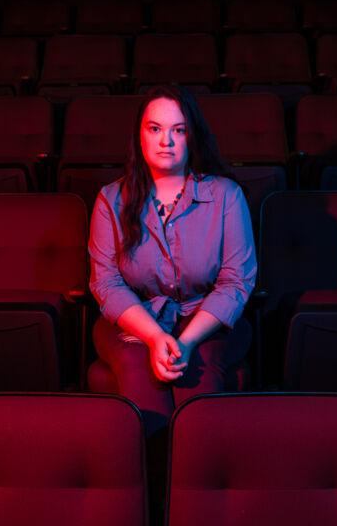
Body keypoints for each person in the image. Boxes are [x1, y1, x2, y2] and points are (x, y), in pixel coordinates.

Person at [88, 85, 256, 436]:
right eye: (155, 129)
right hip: (137, 318)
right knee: (138, 369)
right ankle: (149, 480)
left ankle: (196, 484)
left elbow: (235, 282)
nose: (166, 140)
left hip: (206, 319)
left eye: (178, 130)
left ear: (191, 137)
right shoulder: (110, 200)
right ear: (140, 136)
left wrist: (186, 341)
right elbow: (107, 283)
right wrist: (152, 337)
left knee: (198, 372)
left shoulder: (226, 195)